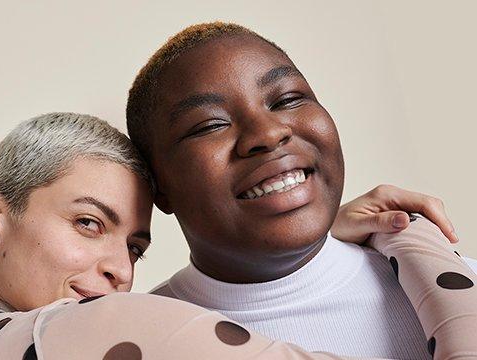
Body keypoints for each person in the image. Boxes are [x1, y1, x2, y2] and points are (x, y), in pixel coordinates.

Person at [0, 113, 476, 360]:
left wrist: (313, 238)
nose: (120, 271)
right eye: (88, 224)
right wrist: (412, 239)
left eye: (134, 248)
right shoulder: (83, 330)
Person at [125, 22, 477, 358]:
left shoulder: (463, 287)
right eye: (210, 125)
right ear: (159, 187)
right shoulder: (135, 342)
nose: (267, 133)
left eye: (288, 99)